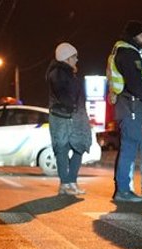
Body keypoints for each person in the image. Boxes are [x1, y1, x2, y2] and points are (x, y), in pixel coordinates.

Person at [106, 20, 142, 202]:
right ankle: (122, 190)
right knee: (129, 146)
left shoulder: (125, 50)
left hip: (129, 104)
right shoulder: (127, 52)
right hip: (131, 105)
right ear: (135, 35)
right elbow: (135, 82)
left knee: (128, 146)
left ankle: (122, 188)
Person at [46, 42, 92, 195]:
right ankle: (65, 183)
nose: (77, 59)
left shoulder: (69, 73)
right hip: (63, 118)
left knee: (79, 147)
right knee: (63, 149)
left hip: (75, 117)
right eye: (74, 57)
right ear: (67, 58)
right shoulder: (57, 73)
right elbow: (64, 94)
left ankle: (71, 181)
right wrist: (72, 107)